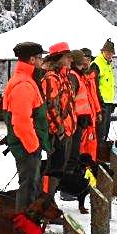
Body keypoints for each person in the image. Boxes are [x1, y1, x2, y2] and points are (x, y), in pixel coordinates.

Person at [3, 42, 50, 209]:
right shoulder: (24, 84)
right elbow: (21, 121)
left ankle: (29, 229)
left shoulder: (27, 80)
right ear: (31, 60)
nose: (42, 62)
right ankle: (24, 230)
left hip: (27, 145)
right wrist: (34, 146)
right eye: (40, 58)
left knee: (32, 187)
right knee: (28, 189)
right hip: (26, 147)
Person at [39, 42, 76, 195]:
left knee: (59, 168)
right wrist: (59, 129)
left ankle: (49, 199)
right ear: (59, 58)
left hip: (66, 131)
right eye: (68, 57)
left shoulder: (63, 77)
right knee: (53, 169)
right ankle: (46, 201)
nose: (71, 61)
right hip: (57, 132)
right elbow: (50, 106)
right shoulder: (51, 78)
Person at [92, 39, 116, 144]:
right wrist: (99, 102)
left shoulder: (107, 64)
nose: (110, 55)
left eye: (111, 53)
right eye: (108, 52)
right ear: (103, 51)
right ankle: (98, 152)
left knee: (106, 130)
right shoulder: (97, 64)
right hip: (101, 103)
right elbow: (94, 85)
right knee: (100, 131)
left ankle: (101, 151)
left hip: (108, 102)